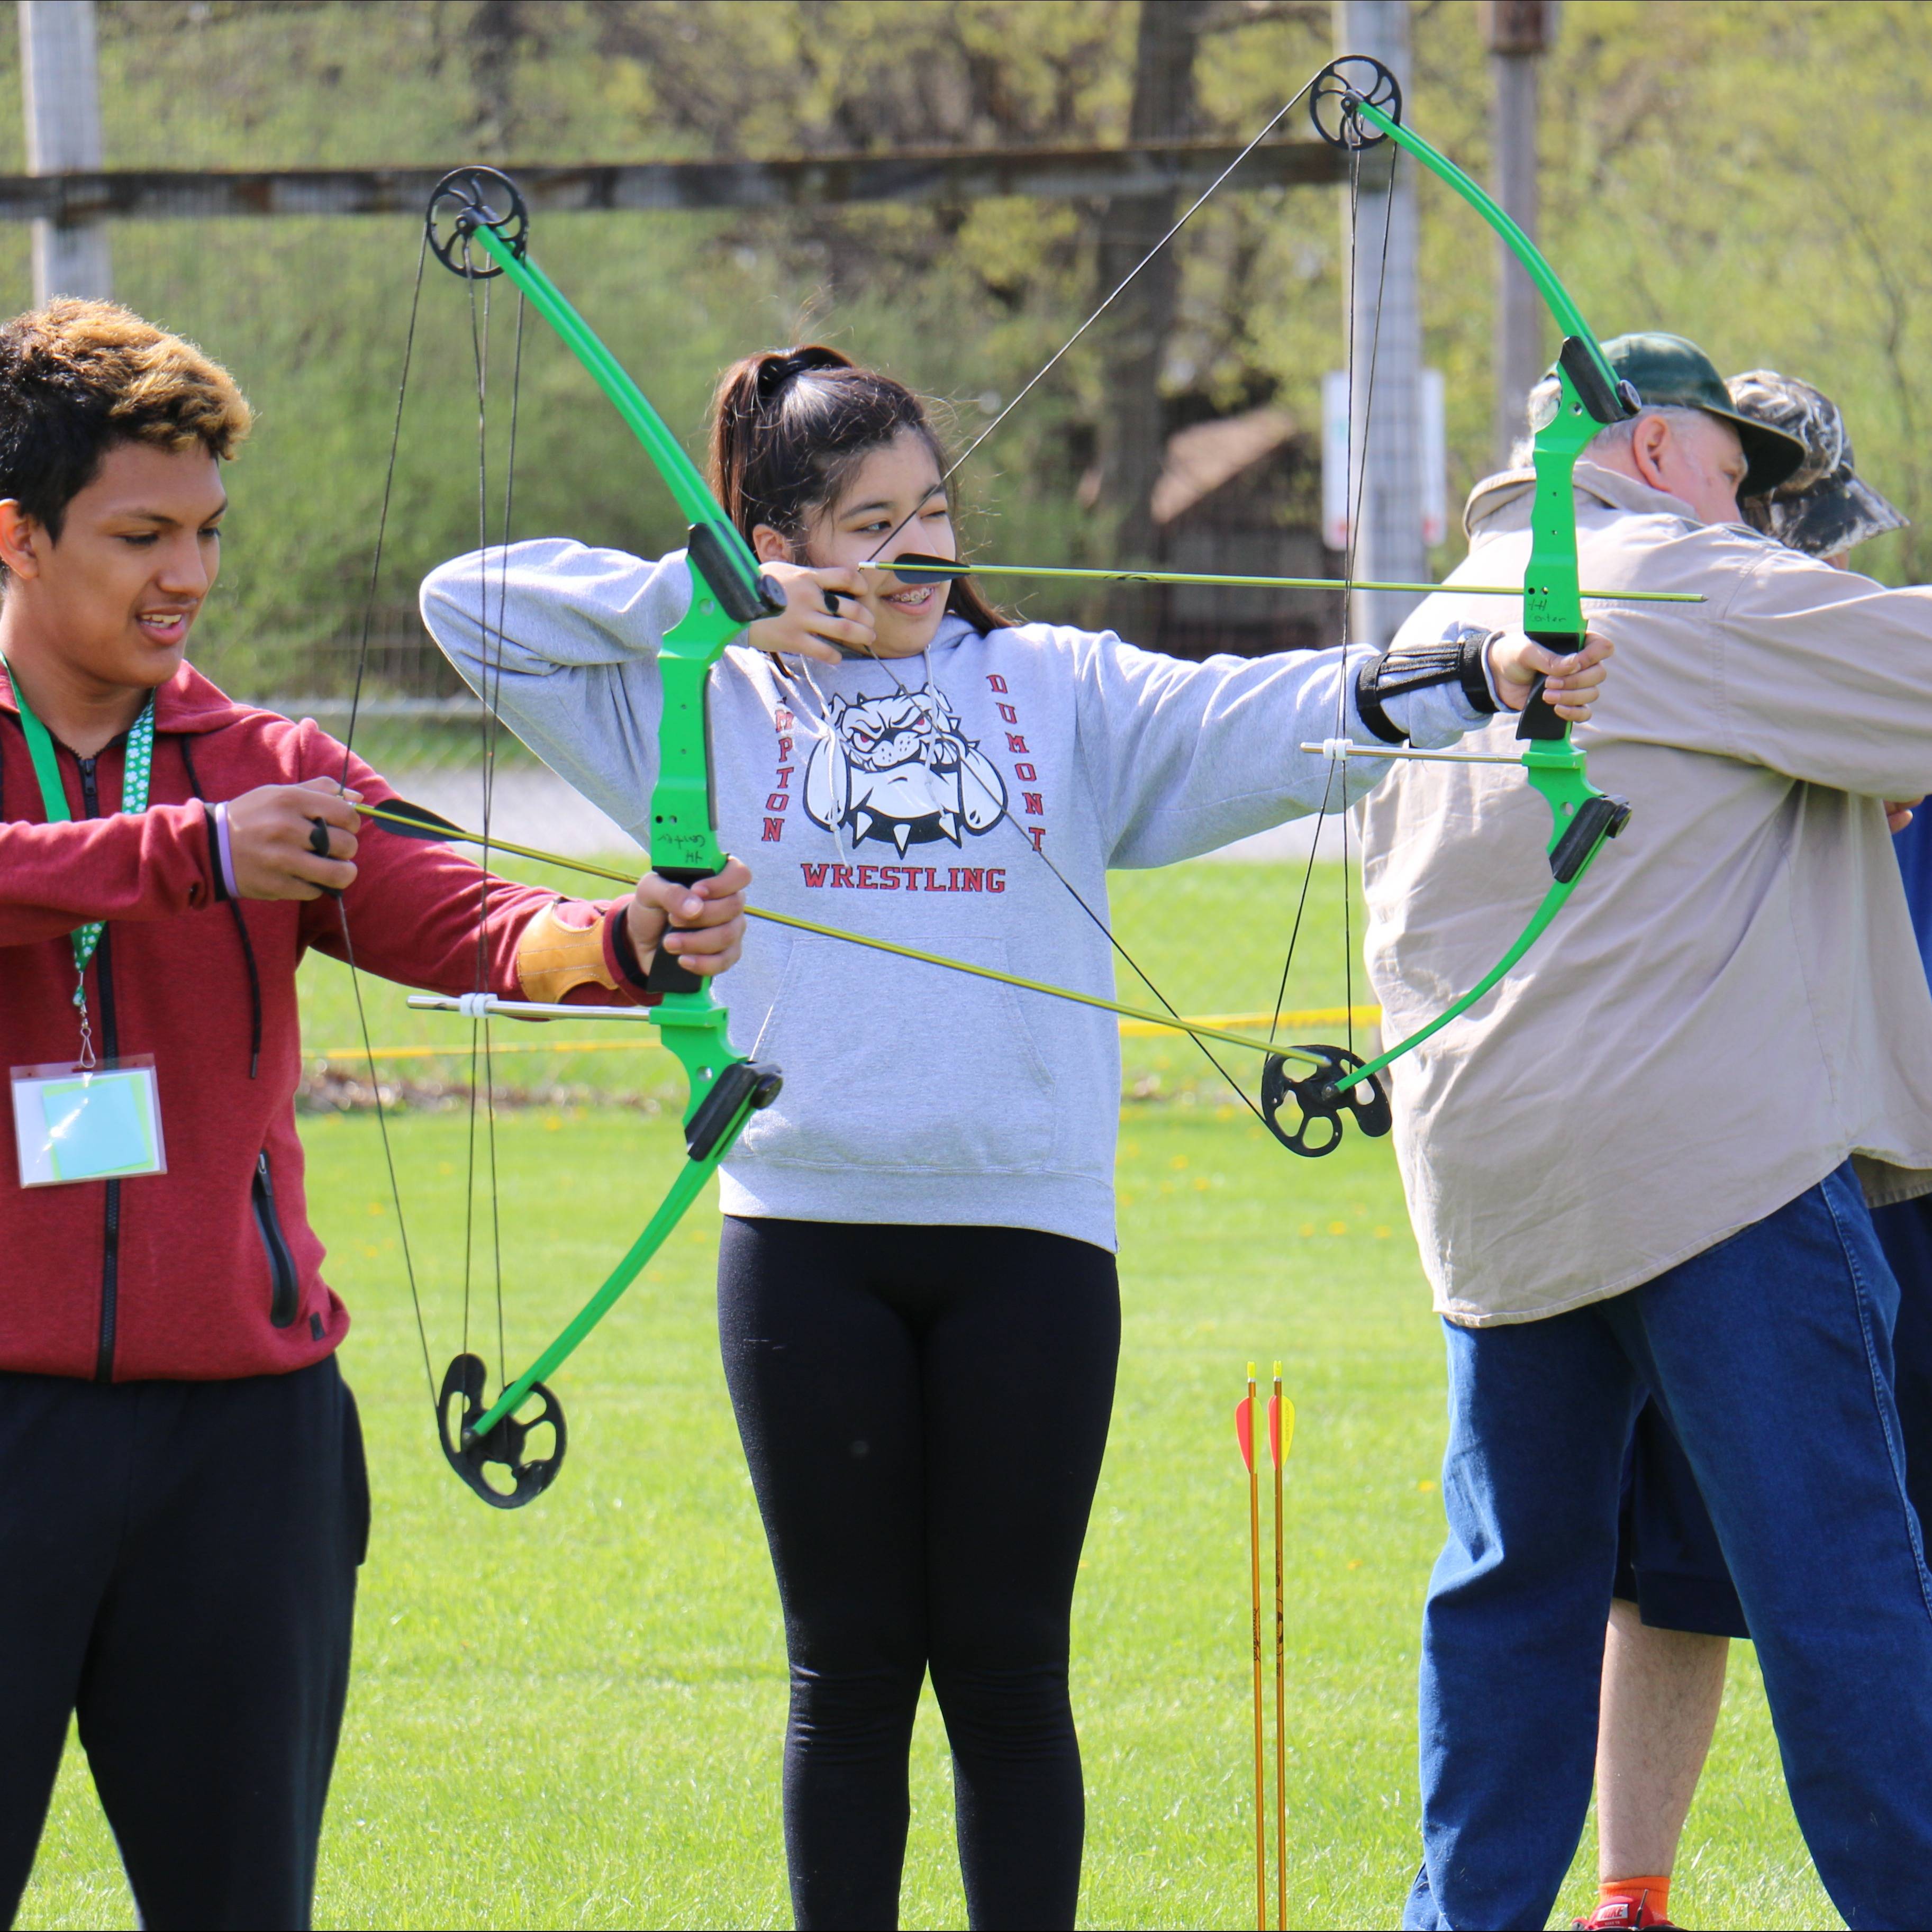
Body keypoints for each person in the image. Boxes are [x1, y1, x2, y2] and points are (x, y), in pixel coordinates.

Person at [418, 342, 1610, 1931]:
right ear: (774, 538)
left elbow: (1271, 712)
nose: (919, 552)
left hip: (1030, 1244)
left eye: (932, 513)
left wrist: (1484, 674)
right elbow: (465, 600)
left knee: (1005, 1673)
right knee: (844, 1678)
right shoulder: (697, 702)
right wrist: (711, 606)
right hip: (805, 1243)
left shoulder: (1054, 686)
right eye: (868, 523)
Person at [0, 299, 749, 1932]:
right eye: (138, 534)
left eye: (205, 530)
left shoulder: (264, 762)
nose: (185, 574)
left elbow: (470, 920)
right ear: (17, 533)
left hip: (241, 1449)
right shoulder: (224, 810)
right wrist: (186, 855)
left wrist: (623, 942)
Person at [1353, 329, 1932, 1932]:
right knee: (1839, 1589)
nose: (1749, 519)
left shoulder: (1436, 622)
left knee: (1511, 1597)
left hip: (1498, 1200)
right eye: (1740, 482)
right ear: (1662, 451)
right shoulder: (1686, 581)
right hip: (1713, 1174)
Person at [1572, 369, 1922, 1932]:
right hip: (1722, 1176)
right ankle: (1631, 1893)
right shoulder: (1678, 675)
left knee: (1874, 1567)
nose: (1821, 571)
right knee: (1672, 1563)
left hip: (1894, 1174)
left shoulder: (1866, 673)